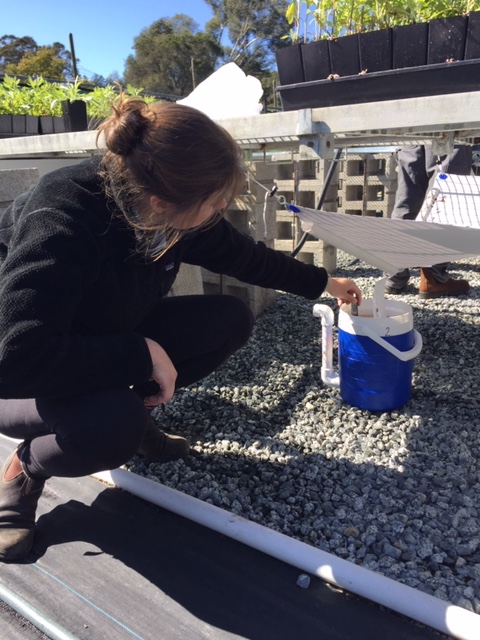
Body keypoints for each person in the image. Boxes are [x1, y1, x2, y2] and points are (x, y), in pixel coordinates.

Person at [0, 96, 362, 561]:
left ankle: (130, 414)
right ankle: (26, 468)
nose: (221, 210)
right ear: (161, 202)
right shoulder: (61, 220)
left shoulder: (170, 206)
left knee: (229, 320)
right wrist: (140, 352)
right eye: (214, 203)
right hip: (23, 369)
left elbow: (243, 256)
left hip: (96, 337)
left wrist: (325, 282)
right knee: (109, 426)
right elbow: (17, 358)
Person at [385, 144, 472, 298]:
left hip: (410, 128)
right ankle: (433, 278)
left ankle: (393, 275)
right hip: (451, 125)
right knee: (444, 198)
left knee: (407, 198)